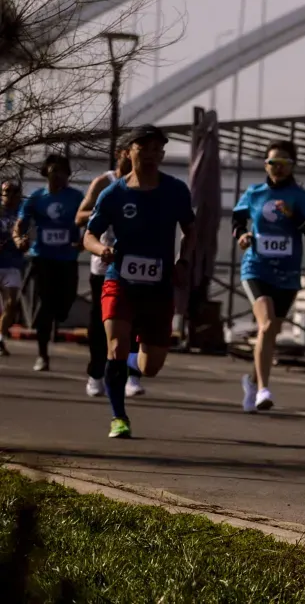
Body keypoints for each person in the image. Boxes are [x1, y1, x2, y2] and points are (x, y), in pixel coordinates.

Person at [83, 125, 197, 439]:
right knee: (116, 346)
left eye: (156, 151)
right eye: (143, 149)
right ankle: (119, 417)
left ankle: (135, 354)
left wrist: (183, 261)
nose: (150, 156)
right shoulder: (114, 193)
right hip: (120, 279)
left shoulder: (175, 190)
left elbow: (191, 229)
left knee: (150, 367)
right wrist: (101, 249)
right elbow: (89, 234)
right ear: (128, 151)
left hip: (159, 287)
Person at [232, 141, 305, 413]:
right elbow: (237, 220)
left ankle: (251, 381)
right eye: (273, 162)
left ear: (292, 166)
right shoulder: (254, 193)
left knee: (269, 332)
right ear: (265, 165)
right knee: (266, 323)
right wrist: (242, 235)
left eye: (284, 162)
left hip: (287, 273)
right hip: (256, 267)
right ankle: (263, 389)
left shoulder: (300, 197)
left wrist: (294, 217)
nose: (279, 167)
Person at [15, 155, 86, 372]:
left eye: (63, 171)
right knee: (46, 305)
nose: (58, 175)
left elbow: (89, 221)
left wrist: (83, 241)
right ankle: (42, 355)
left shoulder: (76, 197)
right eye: (54, 170)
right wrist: (20, 239)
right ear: (46, 172)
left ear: (68, 174)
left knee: (64, 303)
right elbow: (20, 224)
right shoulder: (36, 198)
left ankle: (57, 314)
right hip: (43, 257)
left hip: (68, 258)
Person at [76, 147, 133, 396]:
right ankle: (95, 374)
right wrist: (107, 210)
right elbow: (80, 216)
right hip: (104, 265)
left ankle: (130, 376)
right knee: (100, 324)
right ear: (123, 153)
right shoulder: (104, 182)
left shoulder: (151, 184)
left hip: (135, 265)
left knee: (133, 322)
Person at [0, 180, 24, 359]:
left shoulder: (22, 213)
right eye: (6, 192)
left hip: (12, 263)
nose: (9, 196)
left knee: (11, 303)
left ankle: (0, 338)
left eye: (13, 192)